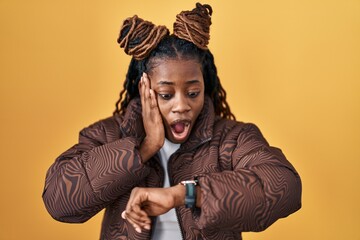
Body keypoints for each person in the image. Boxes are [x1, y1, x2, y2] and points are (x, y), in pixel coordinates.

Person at [42, 3, 302, 240]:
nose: (181, 105)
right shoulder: (108, 135)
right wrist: (144, 149)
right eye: (166, 95)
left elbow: (285, 188)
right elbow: (58, 200)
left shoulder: (233, 139)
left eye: (192, 93)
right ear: (144, 87)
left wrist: (184, 194)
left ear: (205, 86)